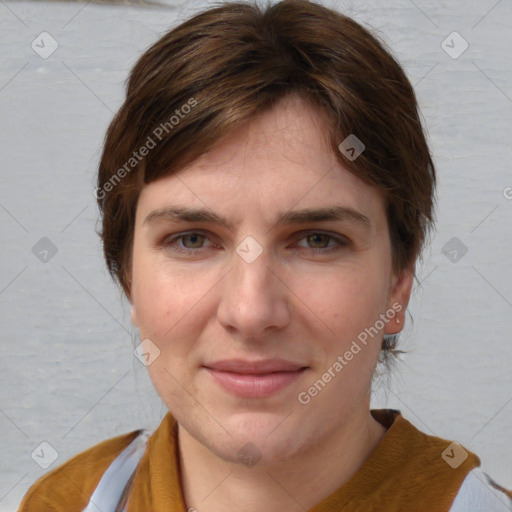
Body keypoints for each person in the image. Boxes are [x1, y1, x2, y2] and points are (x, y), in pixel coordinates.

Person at [18, 0, 511, 510]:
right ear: (129, 278)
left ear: (398, 282)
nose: (251, 313)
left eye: (318, 240)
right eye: (192, 239)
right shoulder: (65, 501)